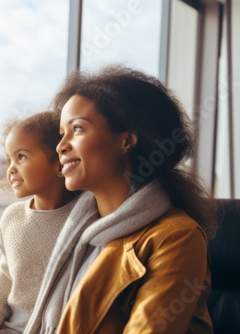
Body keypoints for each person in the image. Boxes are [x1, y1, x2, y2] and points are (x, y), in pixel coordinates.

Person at [24, 66, 217, 334]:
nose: (61, 146)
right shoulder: (79, 232)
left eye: (77, 128)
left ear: (126, 140)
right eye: (61, 134)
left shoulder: (177, 237)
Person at [0, 111, 79, 334]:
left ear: (60, 164)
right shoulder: (11, 217)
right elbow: (6, 274)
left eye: (21, 157)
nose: (10, 169)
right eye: (9, 159)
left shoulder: (84, 217)